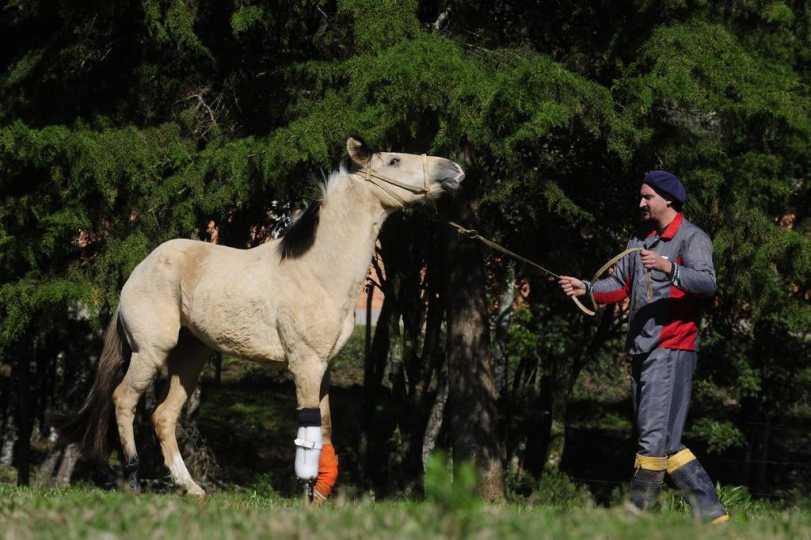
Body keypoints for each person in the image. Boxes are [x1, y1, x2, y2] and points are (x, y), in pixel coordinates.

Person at [558, 170, 729, 523]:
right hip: (642, 351)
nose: (641, 202)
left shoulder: (692, 238)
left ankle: (636, 519)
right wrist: (586, 288)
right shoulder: (640, 239)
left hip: (672, 350)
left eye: (647, 197)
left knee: (653, 441)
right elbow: (619, 285)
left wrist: (670, 268)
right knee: (664, 442)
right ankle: (713, 516)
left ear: (668, 199)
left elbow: (708, 283)